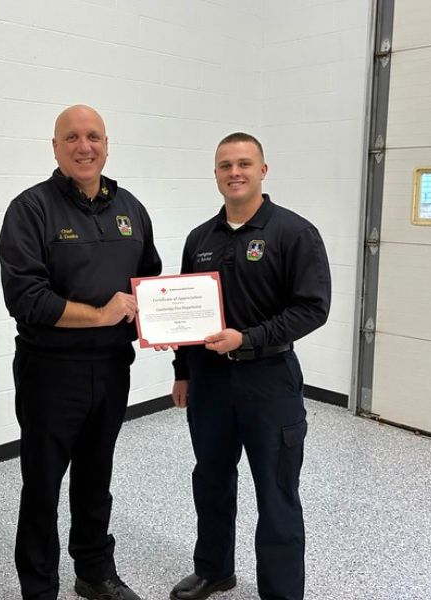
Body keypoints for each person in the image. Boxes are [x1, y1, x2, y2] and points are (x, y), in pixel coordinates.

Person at [0, 105, 162, 600]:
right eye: (71, 137)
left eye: (93, 137)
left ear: (107, 146)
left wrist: (161, 319)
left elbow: (149, 280)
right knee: (42, 486)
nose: (83, 146)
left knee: (96, 477)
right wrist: (100, 314)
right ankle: (39, 589)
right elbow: (25, 298)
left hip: (112, 368)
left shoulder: (131, 208)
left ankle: (94, 572)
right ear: (55, 147)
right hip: (51, 372)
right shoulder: (31, 209)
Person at [169, 133, 331, 600]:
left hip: (269, 381)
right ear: (215, 174)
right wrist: (182, 370)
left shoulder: (294, 233)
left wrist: (248, 339)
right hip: (210, 383)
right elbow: (186, 310)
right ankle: (214, 570)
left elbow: (312, 308)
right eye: (225, 165)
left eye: (244, 163)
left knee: (276, 493)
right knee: (211, 480)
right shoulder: (200, 239)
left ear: (263, 170)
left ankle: (281, 592)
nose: (234, 172)